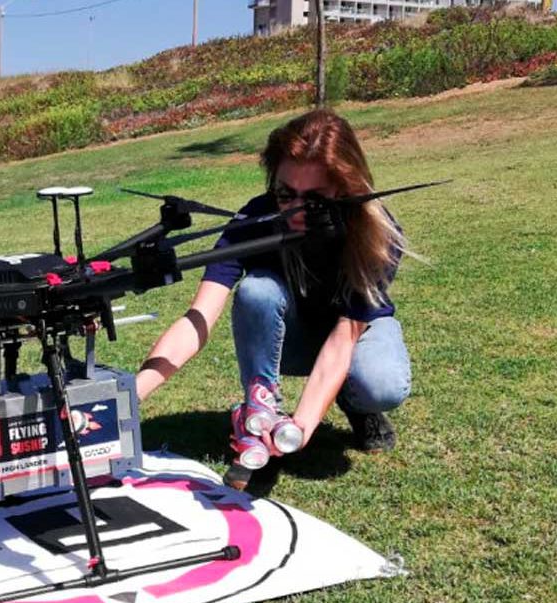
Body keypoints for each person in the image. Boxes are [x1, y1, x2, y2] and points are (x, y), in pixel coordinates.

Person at [135, 109, 412, 474]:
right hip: (289, 339)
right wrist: (130, 397)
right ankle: (260, 409)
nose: (295, 209)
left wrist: (301, 425)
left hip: (354, 336)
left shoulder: (376, 234)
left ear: (345, 188)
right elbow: (197, 319)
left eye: (313, 199)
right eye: (285, 193)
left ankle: (357, 405)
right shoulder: (254, 220)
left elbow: (344, 338)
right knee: (256, 292)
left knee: (382, 384)